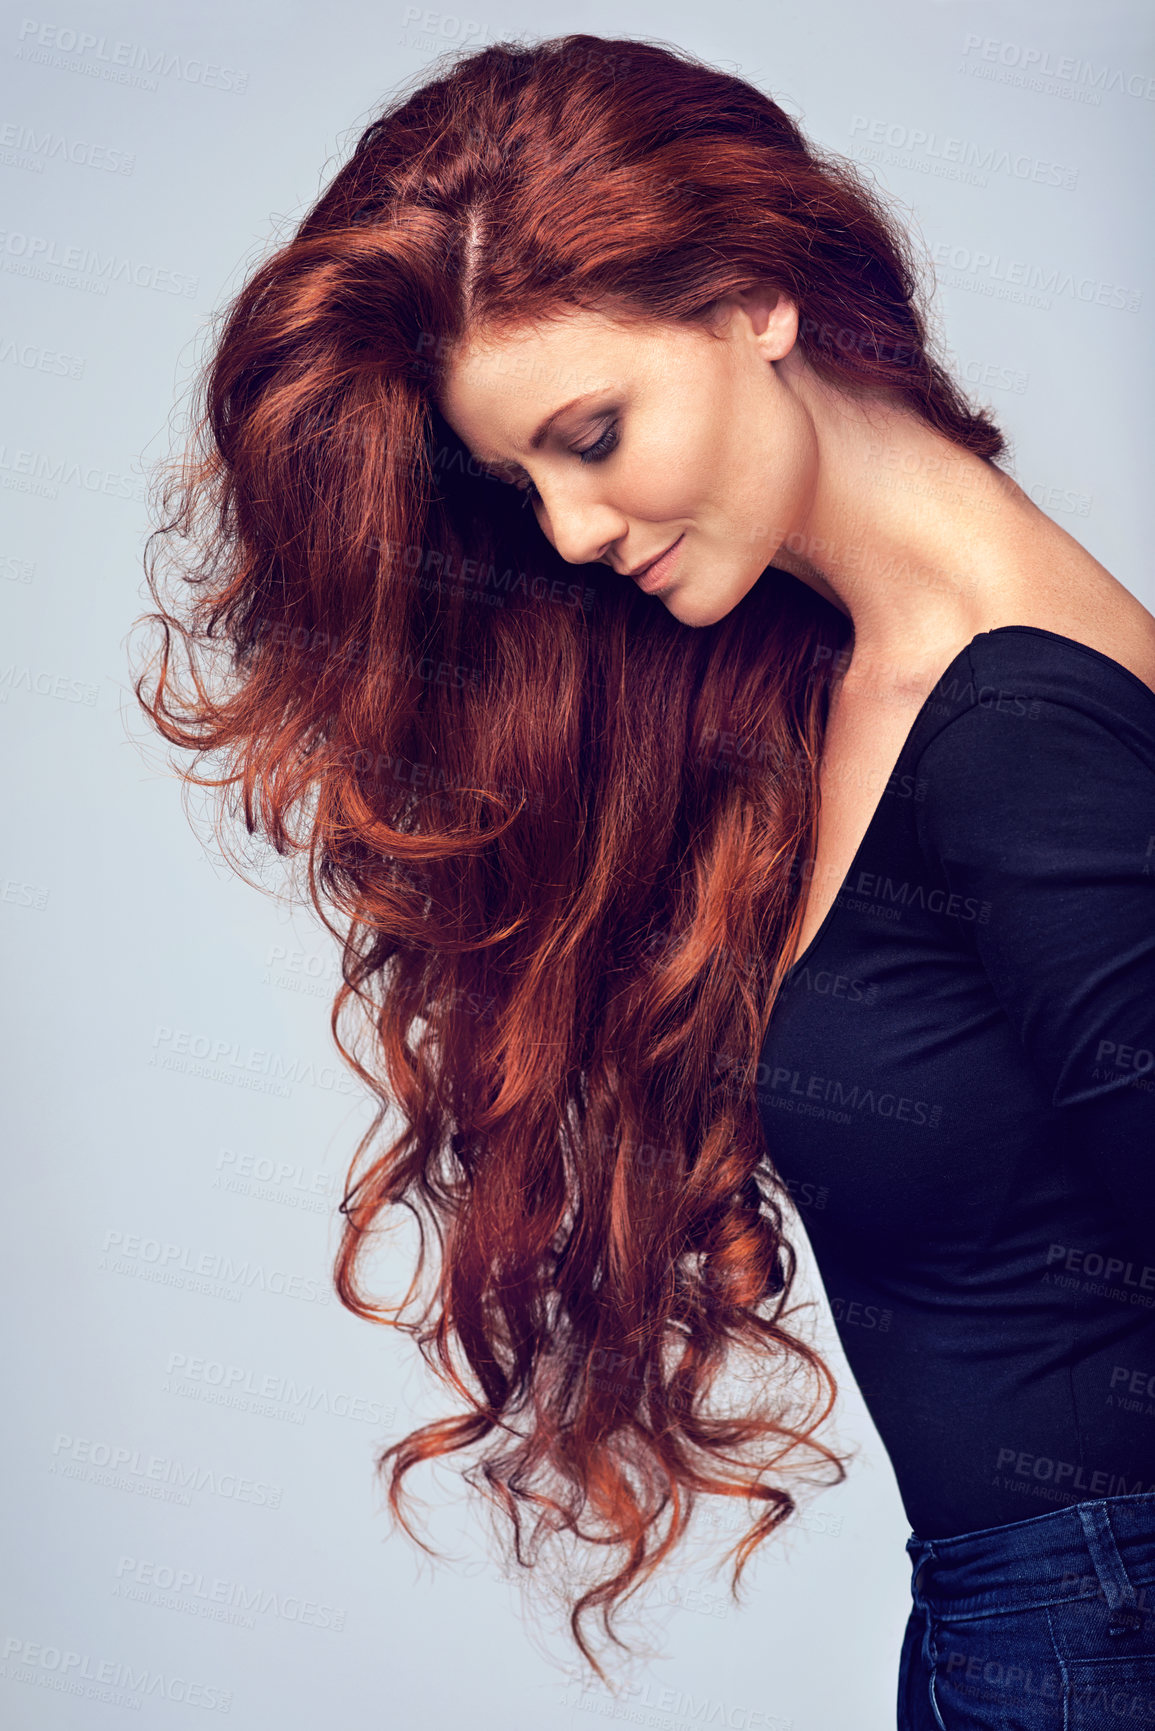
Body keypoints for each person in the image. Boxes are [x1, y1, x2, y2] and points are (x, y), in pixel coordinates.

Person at [133, 30, 1155, 1724]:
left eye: (591, 433)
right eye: (525, 480)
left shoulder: (1020, 726)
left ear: (758, 296)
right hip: (1033, 1628)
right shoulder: (862, 687)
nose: (572, 529)